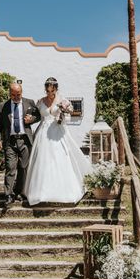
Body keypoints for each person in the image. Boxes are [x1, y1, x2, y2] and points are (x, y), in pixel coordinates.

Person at [24, 77, 92, 205]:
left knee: (60, 158)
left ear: (56, 89)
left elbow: (69, 117)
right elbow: (37, 116)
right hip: (43, 133)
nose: (50, 94)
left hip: (58, 132)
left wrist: (63, 113)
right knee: (42, 161)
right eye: (48, 91)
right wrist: (29, 118)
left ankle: (65, 191)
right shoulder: (39, 102)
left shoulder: (63, 101)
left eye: (52, 91)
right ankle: (41, 192)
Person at [0, 82, 40, 206]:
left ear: (22, 92)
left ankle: (18, 192)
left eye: (18, 94)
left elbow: (38, 116)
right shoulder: (3, 106)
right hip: (11, 141)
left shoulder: (29, 102)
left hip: (25, 140)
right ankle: (8, 195)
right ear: (9, 94)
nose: (16, 97)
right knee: (10, 167)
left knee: (23, 167)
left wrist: (31, 120)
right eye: (13, 95)